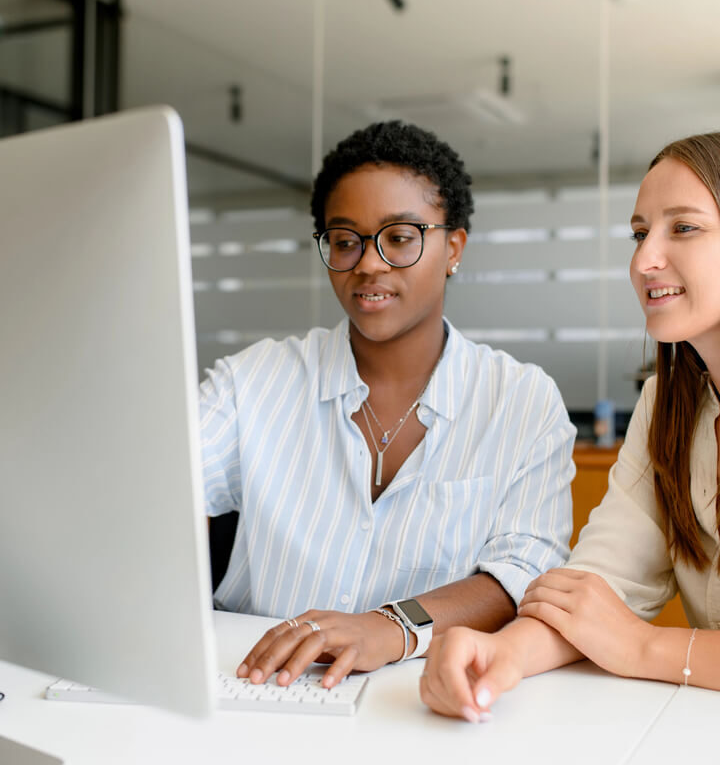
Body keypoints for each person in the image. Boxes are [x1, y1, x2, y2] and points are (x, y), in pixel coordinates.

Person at [200, 120, 576, 690]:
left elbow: (522, 574)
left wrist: (390, 626)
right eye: (345, 240)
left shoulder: (520, 400)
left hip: (426, 697)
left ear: (453, 247)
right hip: (258, 684)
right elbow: (150, 497)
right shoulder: (252, 382)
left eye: (399, 237)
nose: (368, 263)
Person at [420, 131, 720, 723]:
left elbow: (617, 629)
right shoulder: (670, 405)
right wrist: (501, 652)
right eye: (639, 234)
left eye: (682, 228)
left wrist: (641, 646)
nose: (643, 261)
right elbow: (598, 584)